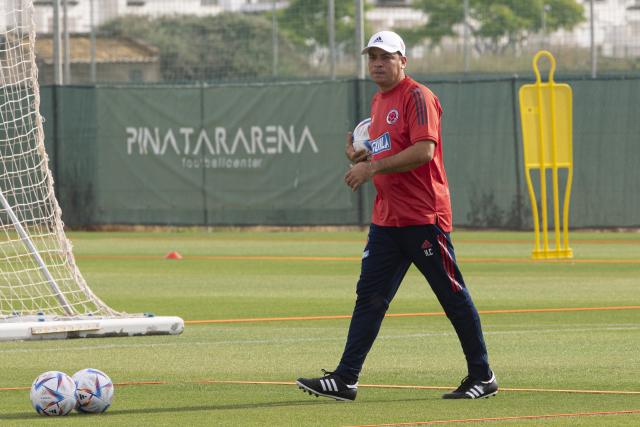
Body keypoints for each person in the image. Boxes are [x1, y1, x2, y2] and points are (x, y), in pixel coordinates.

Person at [296, 31, 497, 401]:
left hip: (423, 216)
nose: (377, 63)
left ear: (403, 60)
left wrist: (372, 168)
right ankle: (345, 379)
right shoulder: (378, 101)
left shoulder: (418, 96)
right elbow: (386, 151)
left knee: (452, 296)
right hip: (387, 220)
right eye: (372, 57)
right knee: (369, 298)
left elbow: (423, 151)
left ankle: (483, 376)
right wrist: (362, 157)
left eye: (386, 57)